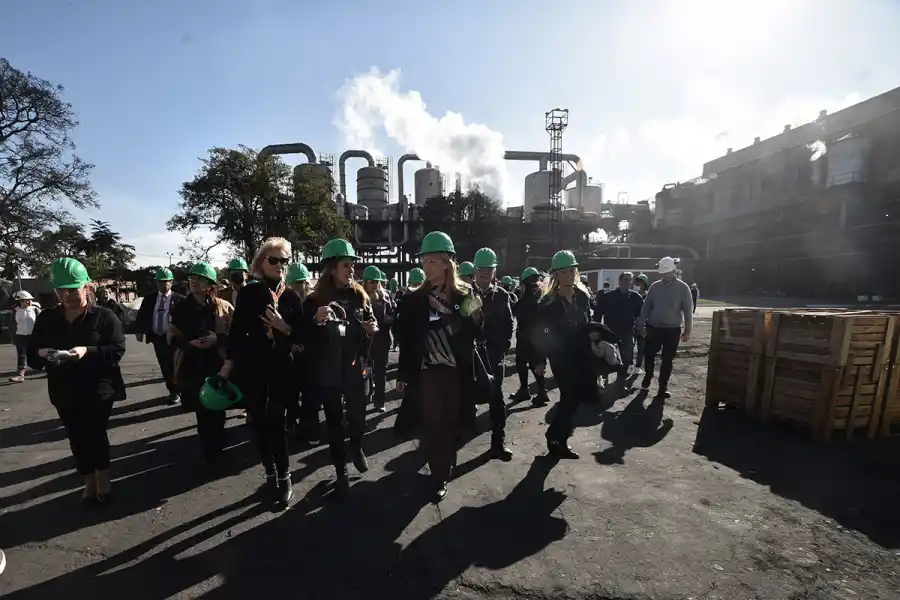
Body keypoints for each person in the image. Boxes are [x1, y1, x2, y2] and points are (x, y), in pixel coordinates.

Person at [28, 258, 126, 505]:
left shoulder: (104, 316)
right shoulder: (47, 318)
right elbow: (31, 354)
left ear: (87, 288)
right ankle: (88, 479)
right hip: (63, 389)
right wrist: (42, 354)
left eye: (73, 289)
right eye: (62, 290)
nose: (68, 295)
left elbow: (116, 349)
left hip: (98, 388)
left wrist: (87, 351)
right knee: (75, 436)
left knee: (94, 433)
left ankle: (102, 477)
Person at [395, 231, 485, 501]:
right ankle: (439, 476)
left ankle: (445, 460)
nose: (426, 266)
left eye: (432, 261)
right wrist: (403, 373)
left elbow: (478, 332)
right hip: (428, 372)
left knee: (455, 424)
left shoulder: (467, 292)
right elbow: (406, 339)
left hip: (458, 372)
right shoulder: (414, 298)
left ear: (447, 262)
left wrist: (456, 316)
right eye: (424, 260)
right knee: (434, 425)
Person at [220, 238, 306, 507]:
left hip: (282, 369)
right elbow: (236, 333)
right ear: (261, 263)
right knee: (258, 423)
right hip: (253, 367)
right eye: (274, 260)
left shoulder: (291, 296)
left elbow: (303, 335)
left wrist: (284, 327)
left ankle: (285, 476)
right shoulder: (250, 293)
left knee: (276, 423)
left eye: (284, 261)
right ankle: (270, 472)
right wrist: (228, 365)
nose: (280, 265)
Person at [304, 238, 377, 498]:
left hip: (356, 367)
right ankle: (340, 471)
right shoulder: (314, 300)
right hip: (329, 371)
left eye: (353, 265)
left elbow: (370, 323)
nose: (352, 270)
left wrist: (371, 330)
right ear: (332, 267)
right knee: (334, 423)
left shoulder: (359, 295)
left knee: (357, 416)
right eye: (347, 265)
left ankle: (357, 446)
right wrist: (315, 321)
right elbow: (304, 337)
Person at [167, 262, 234, 471]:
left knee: (218, 408)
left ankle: (219, 445)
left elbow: (236, 334)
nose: (194, 281)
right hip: (193, 365)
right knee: (202, 410)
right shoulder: (181, 308)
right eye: (192, 278)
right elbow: (172, 337)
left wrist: (218, 338)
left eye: (200, 278)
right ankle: (209, 452)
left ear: (210, 285)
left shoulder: (222, 306)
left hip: (217, 364)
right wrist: (189, 344)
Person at [536, 250, 599, 459]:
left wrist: (594, 334)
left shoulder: (583, 297)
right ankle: (556, 438)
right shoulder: (548, 303)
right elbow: (540, 333)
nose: (570, 274)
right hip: (560, 357)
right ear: (556, 275)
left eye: (572, 270)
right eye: (564, 271)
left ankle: (556, 436)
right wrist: (539, 360)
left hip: (581, 354)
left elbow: (586, 322)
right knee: (570, 396)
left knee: (574, 398)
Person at [470, 247, 514, 460]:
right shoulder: (465, 293)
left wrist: (503, 346)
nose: (484, 273)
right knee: (466, 397)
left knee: (497, 400)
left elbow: (508, 323)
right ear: (475, 270)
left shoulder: (502, 295)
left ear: (494, 271)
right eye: (481, 269)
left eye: (489, 269)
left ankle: (498, 443)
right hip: (471, 356)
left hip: (494, 355)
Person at [637, 257, 694, 400]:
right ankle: (649, 375)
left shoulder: (683, 288)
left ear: (673, 271)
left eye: (666, 274)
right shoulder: (655, 287)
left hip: (672, 329)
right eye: (662, 274)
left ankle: (663, 387)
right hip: (654, 327)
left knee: (667, 360)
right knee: (648, 354)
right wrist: (641, 324)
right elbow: (646, 307)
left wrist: (687, 330)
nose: (664, 277)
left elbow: (688, 310)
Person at [135, 268, 184, 406]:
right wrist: (139, 330)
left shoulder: (180, 299)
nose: (162, 285)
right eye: (159, 282)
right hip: (157, 337)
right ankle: (173, 392)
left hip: (174, 339)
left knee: (176, 365)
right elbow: (142, 315)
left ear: (171, 282)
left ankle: (180, 390)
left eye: (165, 282)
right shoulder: (150, 299)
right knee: (165, 366)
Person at [284, 262, 316, 442]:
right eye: (294, 283)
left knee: (310, 395)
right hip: (291, 355)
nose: (298, 287)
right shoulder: (285, 301)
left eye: (300, 283)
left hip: (311, 356)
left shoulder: (313, 302)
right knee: (291, 393)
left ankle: (309, 429)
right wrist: (291, 344)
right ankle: (292, 422)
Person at [392, 267, 425, 438]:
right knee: (414, 393)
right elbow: (402, 333)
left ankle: (408, 424)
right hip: (415, 355)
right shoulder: (410, 301)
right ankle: (403, 426)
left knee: (417, 393)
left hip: (418, 354)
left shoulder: (408, 300)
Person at [597, 272, 644, 391]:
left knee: (626, 358)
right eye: (625, 280)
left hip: (627, 332)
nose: (627, 283)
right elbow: (598, 314)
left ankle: (620, 382)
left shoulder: (636, 298)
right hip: (609, 332)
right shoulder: (608, 297)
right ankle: (603, 379)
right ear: (619, 281)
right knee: (606, 357)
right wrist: (596, 329)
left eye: (630, 280)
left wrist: (641, 328)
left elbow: (640, 316)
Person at [510, 267, 550, 406]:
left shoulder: (527, 297)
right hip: (539, 337)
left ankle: (525, 390)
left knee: (522, 363)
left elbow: (515, 310)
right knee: (536, 364)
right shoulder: (543, 296)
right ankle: (542, 391)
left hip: (525, 337)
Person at [362, 266, 395, 412]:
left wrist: (382, 313)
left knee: (381, 371)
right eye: (371, 282)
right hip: (366, 342)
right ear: (365, 283)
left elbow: (392, 317)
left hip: (382, 340)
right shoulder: (359, 297)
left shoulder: (385, 297)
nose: (375, 285)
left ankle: (379, 401)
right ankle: (367, 393)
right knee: (366, 371)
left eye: (377, 282)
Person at [9, 290, 40, 383]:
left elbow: (42, 322)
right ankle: (21, 375)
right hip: (20, 336)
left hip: (34, 336)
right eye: (26, 300)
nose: (29, 302)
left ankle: (49, 370)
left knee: (40, 352)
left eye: (30, 300)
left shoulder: (35, 309)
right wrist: (12, 337)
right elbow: (12, 325)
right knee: (22, 355)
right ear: (21, 301)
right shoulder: (15, 311)